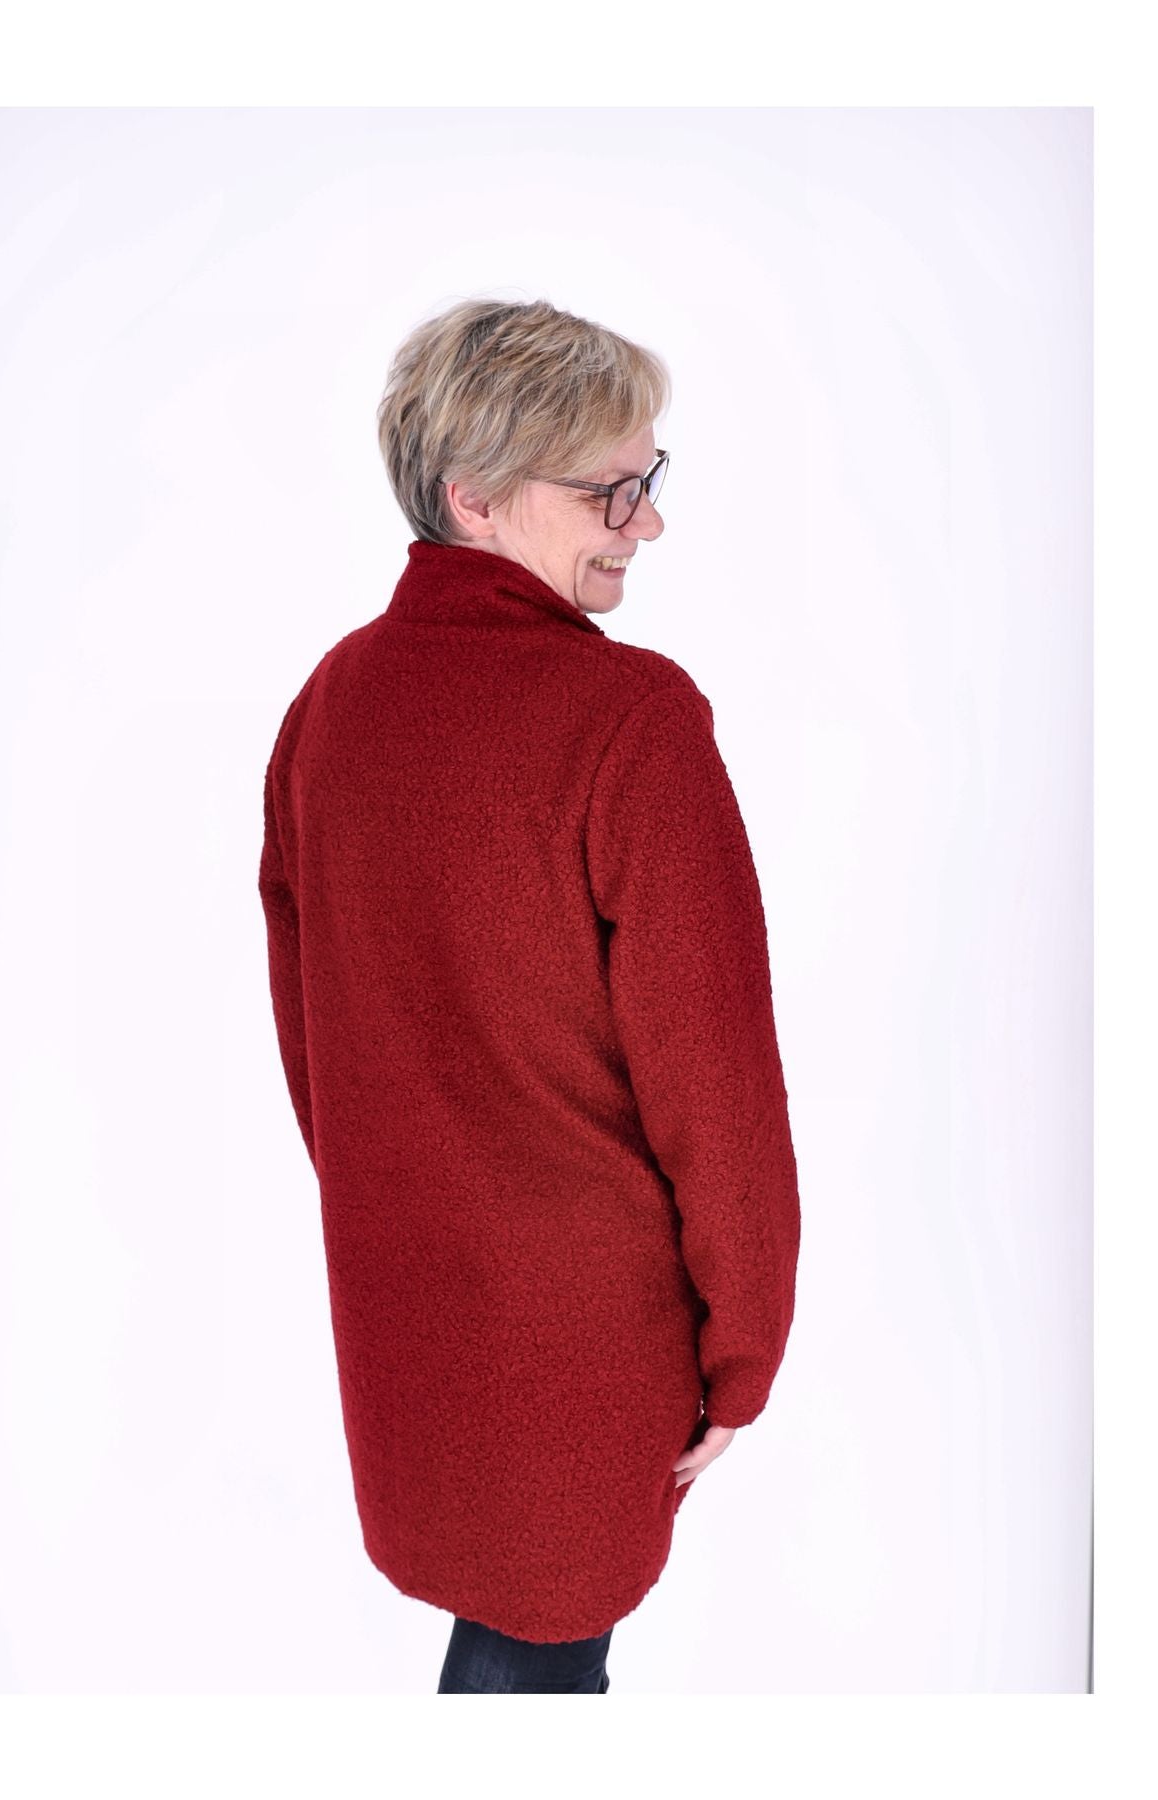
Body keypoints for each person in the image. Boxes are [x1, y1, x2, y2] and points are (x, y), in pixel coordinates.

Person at [258, 297, 801, 1694]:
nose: (645, 522)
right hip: (583, 1332)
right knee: (540, 1667)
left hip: (409, 1310)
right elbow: (716, 1083)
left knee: (518, 1650)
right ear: (476, 498)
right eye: (610, 489)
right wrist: (743, 1348)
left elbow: (313, 1036)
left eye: (647, 479)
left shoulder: (331, 703)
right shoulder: (631, 721)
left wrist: (403, 1213)